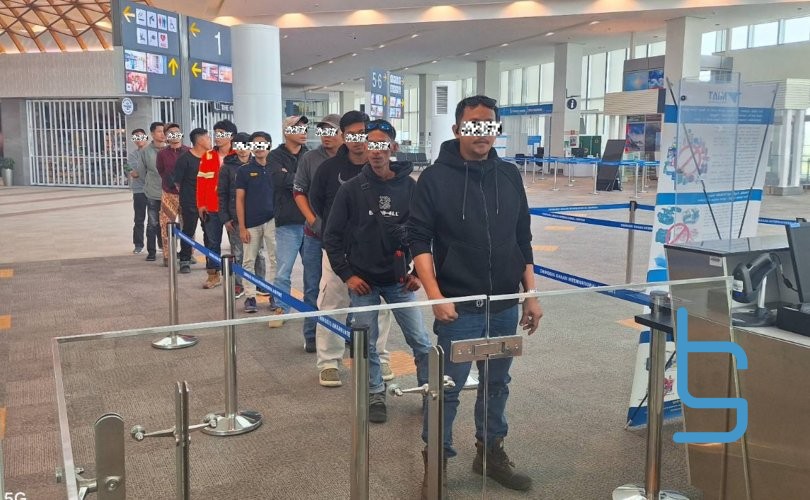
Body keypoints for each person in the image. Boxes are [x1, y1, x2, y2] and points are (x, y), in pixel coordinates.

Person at [408, 95, 543, 496]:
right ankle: (437, 461)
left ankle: (490, 452)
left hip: (503, 303)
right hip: (458, 306)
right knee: (447, 388)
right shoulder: (434, 178)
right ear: (457, 129)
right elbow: (419, 240)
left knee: (497, 383)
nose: (482, 133)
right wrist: (436, 296)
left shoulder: (509, 174)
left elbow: (522, 238)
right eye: (473, 125)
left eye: (489, 125)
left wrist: (530, 295)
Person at [323, 119, 431, 424]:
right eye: (371, 144)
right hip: (364, 282)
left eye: (383, 144)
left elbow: (423, 233)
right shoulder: (351, 189)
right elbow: (332, 236)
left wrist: (419, 273)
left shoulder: (410, 187)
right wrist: (348, 275)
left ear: (393, 148)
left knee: (421, 341)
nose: (376, 150)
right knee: (365, 344)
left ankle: (429, 390)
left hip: (400, 280)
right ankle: (374, 392)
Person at [309, 111, 394, 388]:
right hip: (338, 251)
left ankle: (380, 357)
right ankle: (329, 362)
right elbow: (316, 202)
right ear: (343, 137)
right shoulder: (329, 169)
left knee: (381, 308)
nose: (359, 140)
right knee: (332, 303)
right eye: (352, 135)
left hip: (377, 252)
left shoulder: (383, 167)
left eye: (364, 134)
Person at [294, 113, 343, 353]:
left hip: (346, 238)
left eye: (331, 131)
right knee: (313, 286)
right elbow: (298, 191)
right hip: (315, 235)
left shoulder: (354, 158)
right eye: (323, 131)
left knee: (347, 288)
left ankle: (348, 333)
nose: (326, 136)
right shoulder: (310, 158)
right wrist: (313, 221)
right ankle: (311, 334)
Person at [267, 115, 310, 328]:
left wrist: (291, 177)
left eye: (305, 129)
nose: (303, 132)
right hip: (287, 221)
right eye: (298, 128)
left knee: (313, 271)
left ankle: (313, 308)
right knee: (283, 270)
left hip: (311, 221)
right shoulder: (275, 156)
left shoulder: (310, 155)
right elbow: (278, 180)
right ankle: (281, 307)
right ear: (286, 131)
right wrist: (302, 179)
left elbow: (315, 181)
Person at [219, 132, 266, 299]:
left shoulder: (259, 164)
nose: (242, 149)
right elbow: (222, 194)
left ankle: (260, 283)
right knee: (238, 253)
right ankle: (239, 285)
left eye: (246, 145)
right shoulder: (227, 167)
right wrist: (225, 218)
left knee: (258, 253)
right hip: (235, 218)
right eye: (238, 146)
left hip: (256, 217)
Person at [236, 132, 276, 314]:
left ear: (269, 146)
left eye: (262, 144)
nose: (259, 148)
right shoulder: (244, 170)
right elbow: (239, 200)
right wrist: (242, 227)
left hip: (273, 221)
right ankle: (250, 297)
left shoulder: (276, 168)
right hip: (251, 223)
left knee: (276, 260)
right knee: (248, 260)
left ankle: (275, 295)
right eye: (255, 145)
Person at [197, 119, 238, 289]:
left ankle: (237, 277)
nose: (217, 137)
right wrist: (201, 204)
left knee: (236, 244)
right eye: (216, 134)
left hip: (232, 208)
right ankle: (213, 275)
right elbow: (201, 182)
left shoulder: (238, 154)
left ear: (232, 136)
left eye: (222, 134)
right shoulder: (207, 156)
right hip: (211, 207)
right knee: (212, 242)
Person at [173, 128, 210, 274]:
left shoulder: (210, 157)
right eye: (207, 138)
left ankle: (211, 261)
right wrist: (187, 195)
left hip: (208, 202)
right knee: (188, 230)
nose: (210, 140)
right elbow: (177, 182)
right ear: (199, 140)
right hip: (190, 201)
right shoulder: (184, 159)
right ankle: (185, 260)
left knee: (209, 231)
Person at [132, 122, 166, 262]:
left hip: (169, 192)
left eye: (164, 131)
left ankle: (167, 249)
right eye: (159, 131)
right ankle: (150, 251)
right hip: (150, 192)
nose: (163, 134)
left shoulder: (170, 149)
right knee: (151, 222)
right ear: (152, 134)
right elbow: (139, 172)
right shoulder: (144, 152)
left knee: (167, 223)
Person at [156, 123, 189, 267]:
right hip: (169, 194)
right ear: (167, 137)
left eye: (177, 132)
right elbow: (161, 170)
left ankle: (187, 254)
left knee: (188, 225)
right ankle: (168, 255)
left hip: (187, 194)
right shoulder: (162, 154)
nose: (174, 135)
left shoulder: (189, 151)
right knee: (166, 225)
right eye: (171, 133)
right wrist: (170, 183)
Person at [125, 128, 149, 254]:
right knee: (139, 219)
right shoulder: (133, 155)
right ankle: (138, 245)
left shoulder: (155, 151)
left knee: (156, 219)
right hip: (139, 191)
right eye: (136, 138)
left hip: (154, 190)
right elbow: (134, 172)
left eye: (141, 136)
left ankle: (161, 245)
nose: (139, 140)